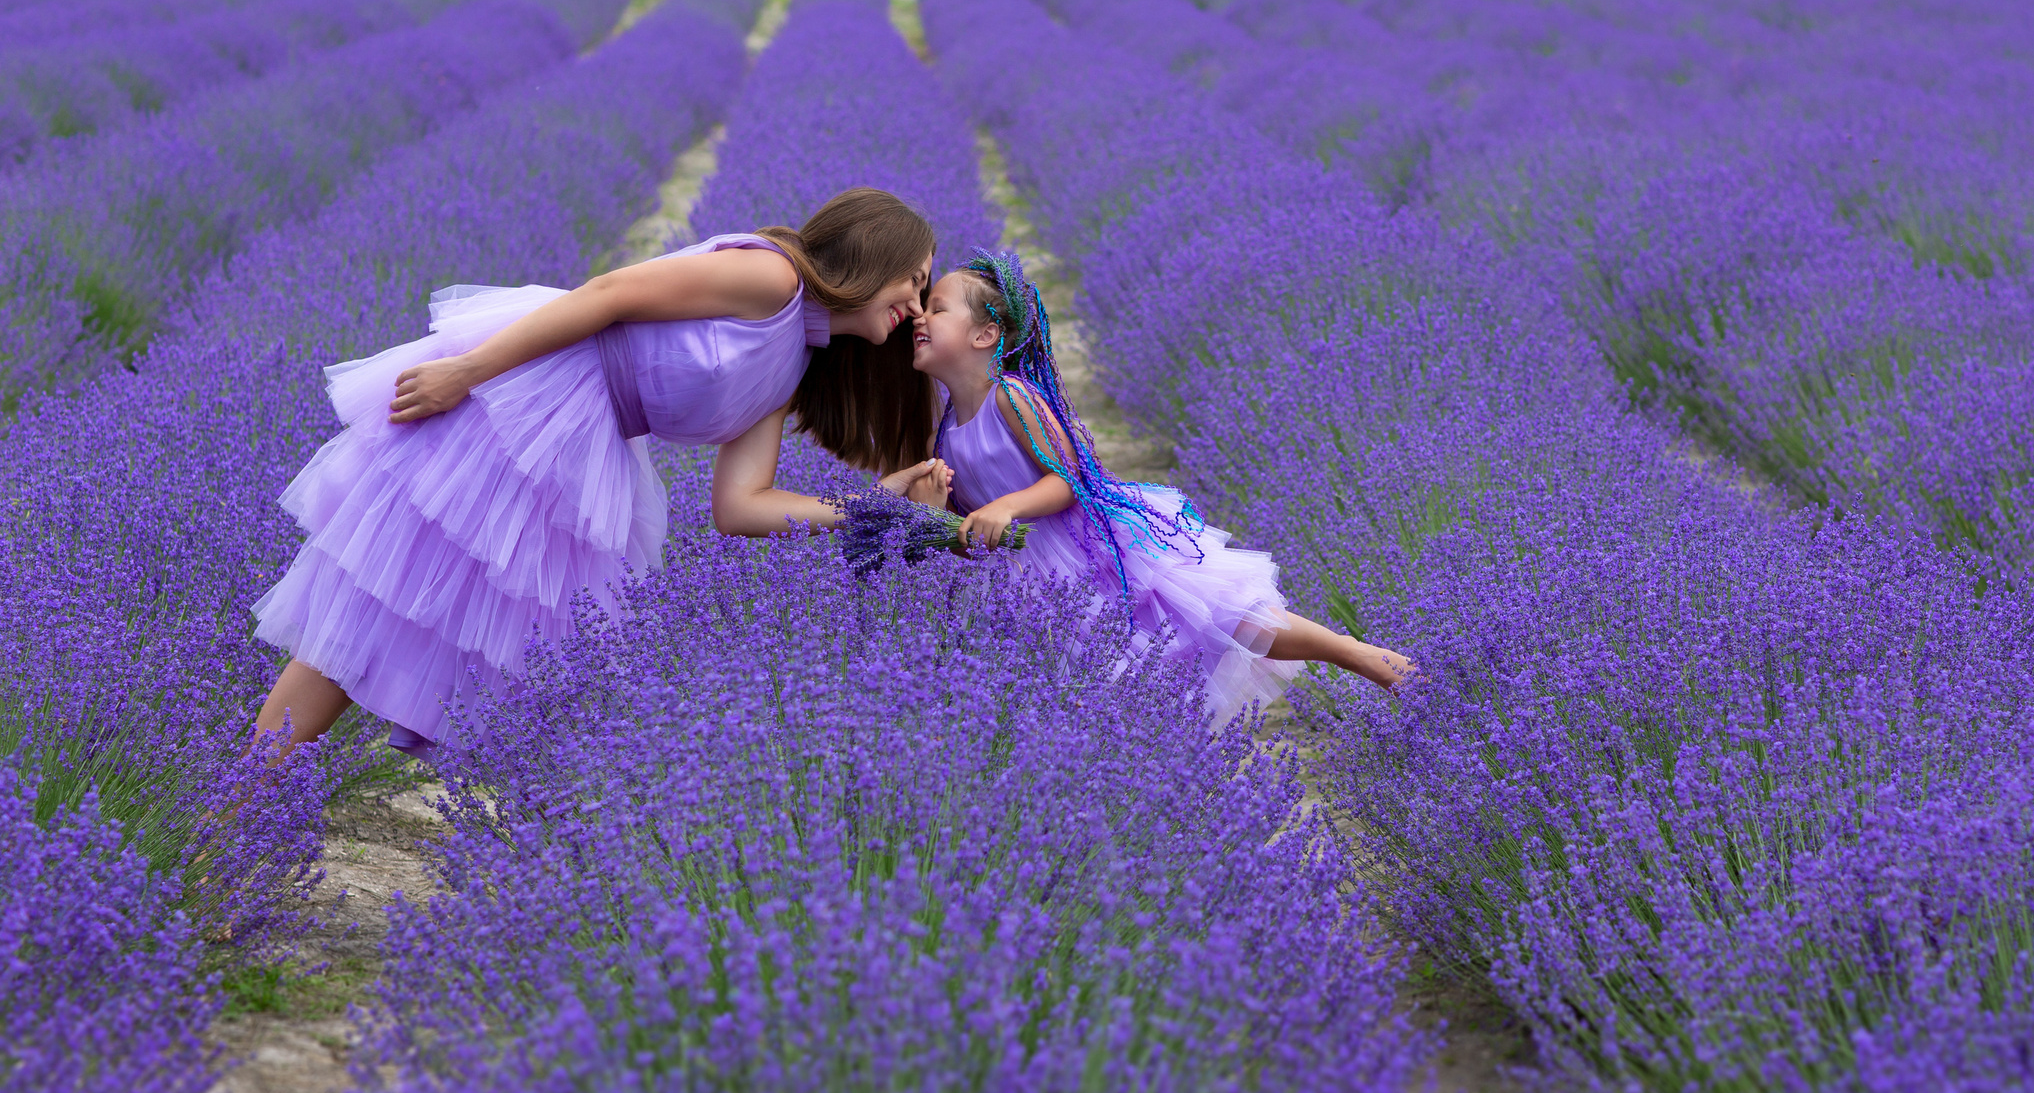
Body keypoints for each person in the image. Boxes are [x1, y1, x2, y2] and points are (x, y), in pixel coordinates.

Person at [249, 187, 949, 756]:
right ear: (871, 254)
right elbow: (611, 292)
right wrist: (466, 372)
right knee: (380, 605)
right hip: (529, 407)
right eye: (914, 281)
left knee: (524, 665)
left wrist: (869, 507)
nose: (916, 307)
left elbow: (740, 506)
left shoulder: (791, 363)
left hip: (585, 451)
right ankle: (238, 818)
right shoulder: (772, 277)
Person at [907, 249, 1413, 729]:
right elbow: (972, 530)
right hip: (1026, 580)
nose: (919, 317)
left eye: (937, 308)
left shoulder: (1011, 397)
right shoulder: (943, 433)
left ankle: (1354, 654)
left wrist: (1008, 506)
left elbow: (1069, 478)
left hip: (1085, 547)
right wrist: (935, 512)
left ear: (985, 334)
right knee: (1098, 681)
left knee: (1219, 616)